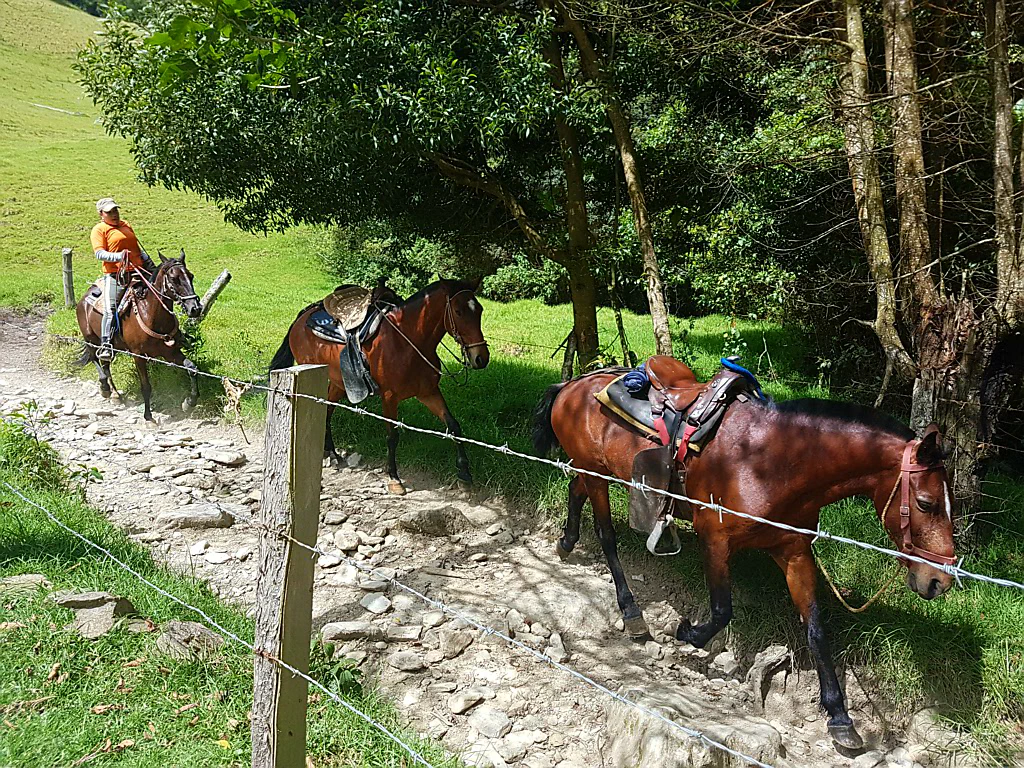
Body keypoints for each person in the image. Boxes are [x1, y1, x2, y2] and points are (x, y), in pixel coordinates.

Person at [90, 197, 156, 360]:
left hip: (138, 270)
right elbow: (99, 253)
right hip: (116, 275)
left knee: (159, 296)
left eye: (116, 210)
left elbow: (136, 249)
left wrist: (151, 265)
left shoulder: (126, 225)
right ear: (101, 214)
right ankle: (106, 344)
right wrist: (118, 256)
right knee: (111, 308)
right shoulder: (99, 230)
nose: (114, 214)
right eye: (109, 212)